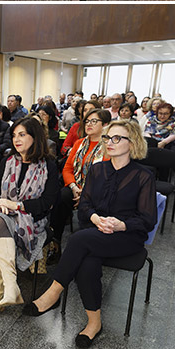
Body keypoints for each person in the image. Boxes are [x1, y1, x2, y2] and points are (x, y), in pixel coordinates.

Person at [29, 120, 157, 349]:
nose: (110, 142)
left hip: (126, 237)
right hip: (95, 231)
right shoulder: (98, 169)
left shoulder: (143, 176)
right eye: (108, 138)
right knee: (87, 263)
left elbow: (148, 220)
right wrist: (97, 218)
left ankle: (54, 292)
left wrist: (120, 225)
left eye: (117, 138)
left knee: (78, 239)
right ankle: (94, 323)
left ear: (133, 142)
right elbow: (85, 205)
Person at [0, 116, 58, 323]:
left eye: (22, 135)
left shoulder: (48, 164)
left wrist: (17, 206)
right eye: (14, 135)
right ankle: (10, 287)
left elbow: (47, 203)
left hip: (34, 222)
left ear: (35, 137)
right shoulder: (7, 161)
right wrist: (0, 202)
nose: (16, 140)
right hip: (5, 216)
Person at [50, 109, 112, 255]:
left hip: (98, 192)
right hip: (76, 187)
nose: (89, 124)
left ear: (105, 124)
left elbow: (107, 178)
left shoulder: (109, 146)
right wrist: (73, 187)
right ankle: (55, 244)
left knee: (90, 206)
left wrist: (86, 193)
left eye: (94, 121)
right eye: (87, 121)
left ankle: (86, 249)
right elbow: (67, 169)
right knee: (61, 197)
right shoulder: (79, 143)